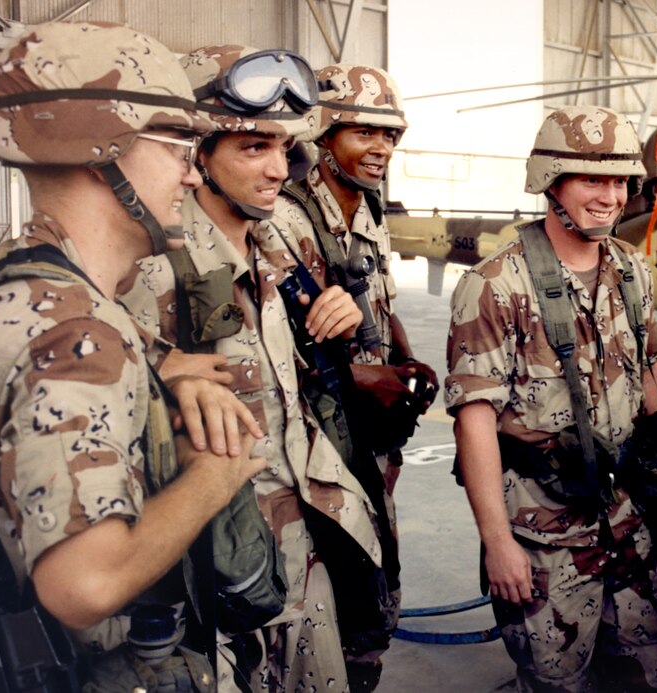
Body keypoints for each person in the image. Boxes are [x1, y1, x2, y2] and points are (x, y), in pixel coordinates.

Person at [0, 21, 265, 690]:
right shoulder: (79, 336)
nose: (193, 171)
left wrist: (168, 367)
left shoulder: (24, 284)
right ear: (101, 147)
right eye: (178, 145)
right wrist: (215, 475)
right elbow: (84, 583)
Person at [118, 45, 386, 692]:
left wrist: (339, 321)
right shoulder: (152, 272)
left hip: (307, 556)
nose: (275, 169)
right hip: (221, 578)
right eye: (250, 147)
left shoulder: (282, 245)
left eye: (282, 148)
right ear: (197, 156)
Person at [446, 104, 657, 692]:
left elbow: (652, 375)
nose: (610, 196)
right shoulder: (497, 284)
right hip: (541, 532)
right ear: (551, 181)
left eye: (619, 180)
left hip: (625, 518)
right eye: (592, 178)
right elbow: (475, 421)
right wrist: (497, 543)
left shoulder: (628, 269)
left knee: (649, 667)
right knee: (557, 679)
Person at [268, 62, 438, 687]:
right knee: (326, 580)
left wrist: (403, 357)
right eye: (365, 133)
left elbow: (375, 297)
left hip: (368, 441)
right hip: (315, 444)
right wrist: (360, 377)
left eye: (390, 136)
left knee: (375, 573)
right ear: (324, 130)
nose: (381, 149)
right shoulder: (284, 216)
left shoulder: (366, 207)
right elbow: (280, 342)